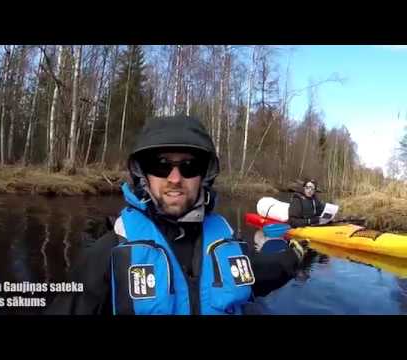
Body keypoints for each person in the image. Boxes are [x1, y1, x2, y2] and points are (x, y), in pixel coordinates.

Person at [46, 115, 308, 315]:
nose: (174, 178)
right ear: (143, 175)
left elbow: (266, 271)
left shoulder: (230, 246)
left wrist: (296, 254)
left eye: (189, 166)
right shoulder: (109, 254)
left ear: (204, 175)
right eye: (160, 166)